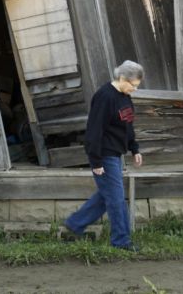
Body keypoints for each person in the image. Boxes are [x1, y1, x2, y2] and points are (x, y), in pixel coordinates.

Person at [64, 60, 144, 251]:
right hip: (104, 154)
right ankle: (121, 242)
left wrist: (135, 148)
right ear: (123, 78)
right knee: (116, 199)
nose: (134, 89)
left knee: (107, 195)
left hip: (116, 153)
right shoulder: (104, 96)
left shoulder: (125, 97)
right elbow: (94, 130)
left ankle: (75, 224)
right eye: (133, 85)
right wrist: (96, 160)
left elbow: (127, 125)